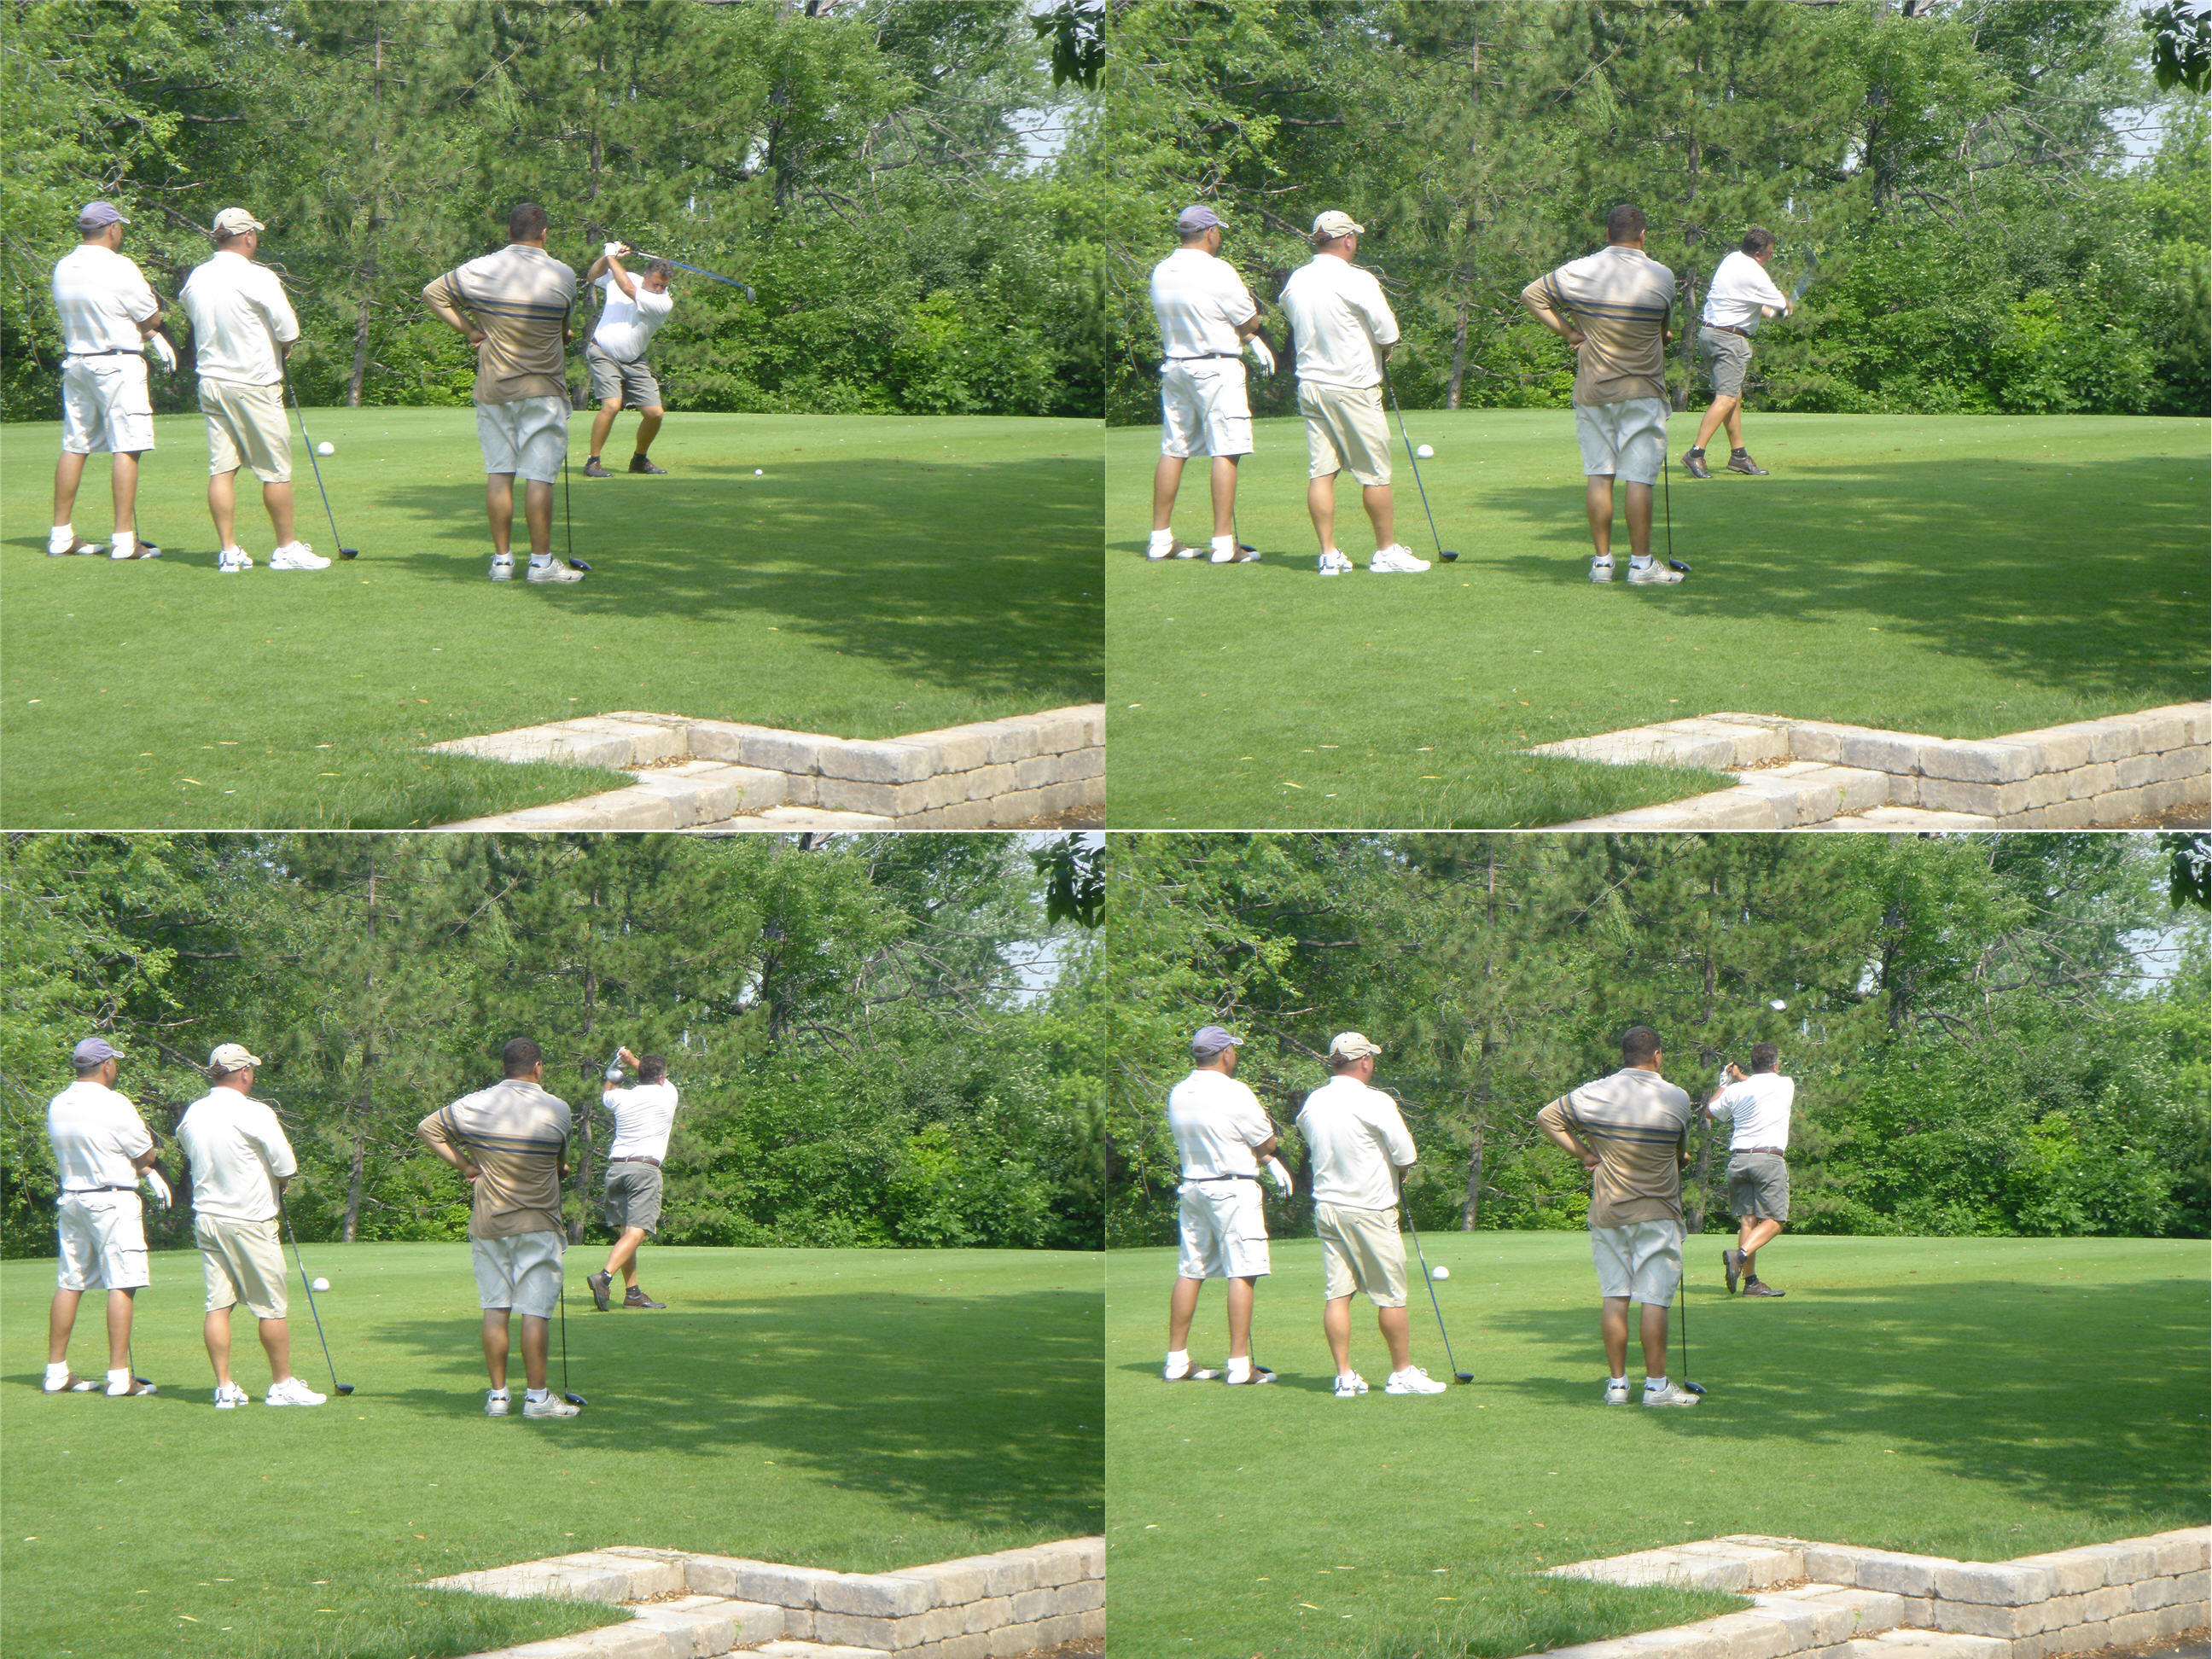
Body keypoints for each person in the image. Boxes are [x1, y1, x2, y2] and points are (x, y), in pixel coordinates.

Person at [1534, 1025, 1701, 1408]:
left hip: (1608, 1211)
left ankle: (1617, 1386)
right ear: (1657, 1056)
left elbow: (1547, 1118)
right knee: (1654, 1300)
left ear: (1623, 1056)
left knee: (1615, 1297)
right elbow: (1678, 1154)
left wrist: (1587, 1155)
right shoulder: (1677, 1097)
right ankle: (1656, 1388)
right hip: (1657, 1212)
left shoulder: (1595, 1092)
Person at [1518, 204, 1682, 585]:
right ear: (1643, 236)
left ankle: (1602, 564)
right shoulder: (1662, 275)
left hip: (1593, 389)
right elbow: (1662, 334)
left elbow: (1532, 296)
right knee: (1639, 478)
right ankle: (1641, 566)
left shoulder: (1579, 270)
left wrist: (1573, 333)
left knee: (1599, 475)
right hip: (1642, 389)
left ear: (1607, 234)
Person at [422, 203, 585, 584]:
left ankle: (502, 563)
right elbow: (564, 331)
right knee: (539, 477)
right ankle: (541, 565)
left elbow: (433, 294)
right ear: (544, 235)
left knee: (500, 474)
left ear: (508, 232)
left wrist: (472, 331)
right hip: (543, 389)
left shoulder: (479, 269)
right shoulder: (562, 274)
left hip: (494, 387)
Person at [417, 1037, 579, 1418]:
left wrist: (467, 1166)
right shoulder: (558, 1108)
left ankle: (498, 1397)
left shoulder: (475, 1103)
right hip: (538, 1223)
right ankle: (537, 1399)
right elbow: (559, 1166)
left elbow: (428, 1128)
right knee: (535, 1312)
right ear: (538, 1068)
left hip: (489, 1223)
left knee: (495, 1309)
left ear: (503, 1068)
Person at [177, 207, 328, 574]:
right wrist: (283, 343)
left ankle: (229, 551)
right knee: (275, 471)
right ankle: (286, 548)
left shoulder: (198, 276)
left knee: (222, 469)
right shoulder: (257, 276)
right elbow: (288, 329)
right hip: (254, 383)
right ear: (247, 237)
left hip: (211, 382)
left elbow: (189, 309)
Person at [1294, 1033, 1444, 1397]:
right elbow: (1405, 1154)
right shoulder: (1374, 1100)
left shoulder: (1314, 1101)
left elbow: (1306, 1132)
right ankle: (1402, 1373)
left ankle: (1344, 1376)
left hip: (1328, 1207)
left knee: (1338, 1294)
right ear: (1364, 1061)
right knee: (1390, 1295)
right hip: (1371, 1208)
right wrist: (1399, 1169)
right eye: (1371, 1058)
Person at [175, 1044, 325, 1407]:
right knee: (271, 1307)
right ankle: (282, 1385)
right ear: (243, 1073)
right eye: (251, 1070)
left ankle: (225, 1388)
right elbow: (286, 1165)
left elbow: (185, 1144)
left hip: (208, 1219)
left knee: (218, 1305)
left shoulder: (194, 1112)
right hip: (250, 1220)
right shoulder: (254, 1112)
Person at [1278, 212, 1427, 577]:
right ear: (1347, 240)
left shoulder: (1298, 279)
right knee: (1375, 473)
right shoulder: (1356, 279)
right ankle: (1386, 551)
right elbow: (1387, 331)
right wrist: (1383, 347)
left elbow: (1288, 311)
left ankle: (1328, 555)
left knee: (1321, 472)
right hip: (1353, 386)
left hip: (1311, 385)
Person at [1163, 1025, 1290, 1384]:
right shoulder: (1235, 1092)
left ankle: (1177, 1360)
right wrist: (1269, 1157)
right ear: (1225, 1054)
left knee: (1191, 1269)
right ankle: (1239, 1365)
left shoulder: (1179, 1091)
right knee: (1242, 1271)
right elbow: (1266, 1143)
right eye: (1233, 1050)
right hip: (1232, 1188)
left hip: (1193, 1187)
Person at [1146, 206, 1273, 565]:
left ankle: (1160, 540)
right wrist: (1253, 336)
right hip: (1216, 366)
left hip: (1176, 366)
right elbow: (1248, 319)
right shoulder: (1218, 270)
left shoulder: (1162, 269)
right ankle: (1222, 545)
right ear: (1210, 233)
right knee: (1226, 449)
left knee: (1174, 448)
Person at [49, 201, 172, 562]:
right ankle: (123, 540)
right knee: (127, 446)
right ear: (112, 229)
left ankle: (61, 535)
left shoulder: (64, 265)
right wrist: (151, 331)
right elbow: (151, 317)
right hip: (117, 362)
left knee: (75, 444)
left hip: (78, 362)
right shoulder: (120, 267)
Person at [44, 1037, 166, 1396]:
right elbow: (145, 1154)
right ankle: (118, 1377)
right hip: (112, 1199)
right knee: (122, 1282)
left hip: (73, 1198)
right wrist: (148, 1169)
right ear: (107, 1066)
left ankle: (56, 1372)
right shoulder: (114, 1103)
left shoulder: (59, 1102)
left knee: (71, 1280)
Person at [1684, 228, 1791, 480]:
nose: (1770, 258)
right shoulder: (1755, 272)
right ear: (1758, 253)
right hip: (1729, 340)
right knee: (1727, 398)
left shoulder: (1732, 259)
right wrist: (1787, 306)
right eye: (1769, 254)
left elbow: (1749, 302)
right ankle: (1696, 454)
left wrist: (1776, 312)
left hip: (1709, 335)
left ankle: (1739, 456)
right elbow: (1780, 304)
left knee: (1734, 396)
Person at [586, 1045, 679, 1312]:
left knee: (627, 1231)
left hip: (617, 1169)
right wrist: (632, 1060)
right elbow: (651, 1074)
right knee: (638, 1232)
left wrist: (617, 1071)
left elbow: (607, 1095)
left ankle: (633, 1293)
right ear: (662, 1077)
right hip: (644, 1169)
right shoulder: (667, 1094)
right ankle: (603, 1277)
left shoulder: (621, 1098)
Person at [1706, 1041, 1794, 1298]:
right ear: (1775, 1065)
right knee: (1776, 1220)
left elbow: (1711, 1112)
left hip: (1738, 1161)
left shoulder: (1737, 1090)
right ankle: (1739, 1256)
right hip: (1767, 1159)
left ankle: (1751, 1282)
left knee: (1749, 1220)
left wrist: (1726, 1081)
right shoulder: (1785, 1083)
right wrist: (1740, 1078)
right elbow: (1763, 1084)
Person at [579, 245, 675, 478]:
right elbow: (593, 276)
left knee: (655, 413)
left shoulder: (663, 303)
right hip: (603, 352)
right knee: (612, 405)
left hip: (635, 360)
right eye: (655, 284)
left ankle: (639, 459)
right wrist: (606, 257)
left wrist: (612, 255)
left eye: (664, 286)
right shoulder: (626, 276)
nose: (659, 289)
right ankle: (593, 462)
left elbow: (628, 288)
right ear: (645, 275)